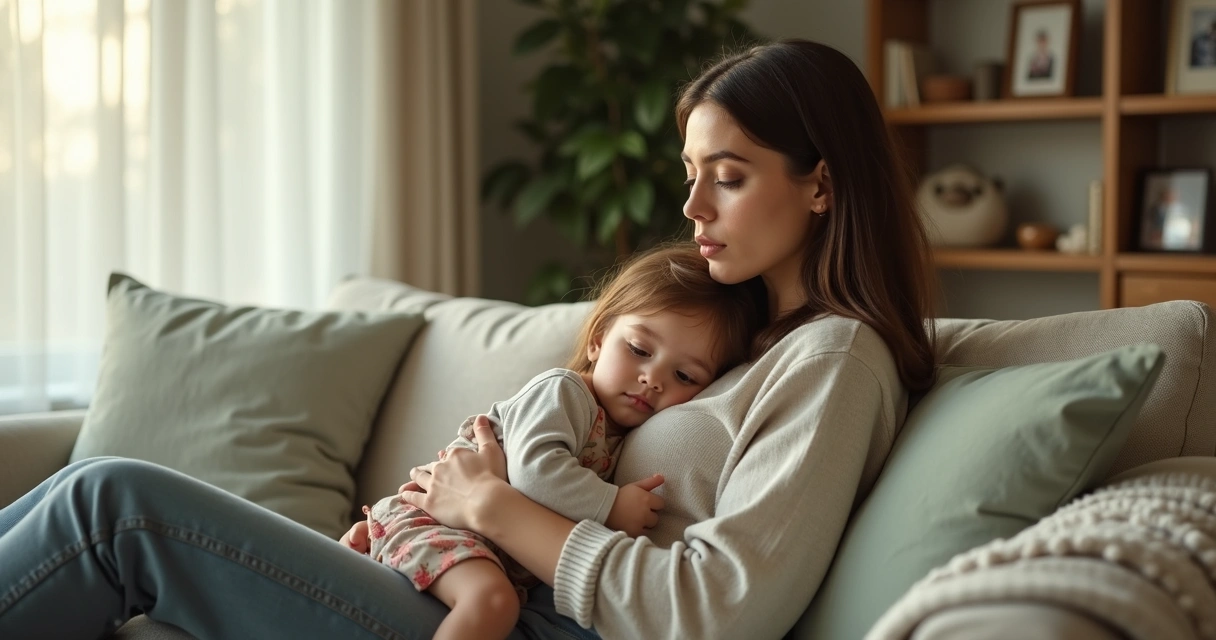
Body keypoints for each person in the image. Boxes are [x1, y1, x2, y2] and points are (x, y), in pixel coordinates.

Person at [0, 39, 937, 639]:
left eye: (727, 177)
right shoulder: (754, 340)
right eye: (690, 174)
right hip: (468, 584)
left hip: (510, 616)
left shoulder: (836, 361)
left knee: (112, 506)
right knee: (101, 499)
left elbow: (718, 611)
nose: (690, 206)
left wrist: (492, 508)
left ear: (821, 184)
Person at [338, 243, 763, 640]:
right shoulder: (564, 392)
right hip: (437, 523)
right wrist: (609, 505)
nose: (653, 379)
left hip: (474, 544)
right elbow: (533, 472)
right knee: (492, 603)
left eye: (684, 376)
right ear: (598, 340)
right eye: (638, 349)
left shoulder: (623, 435)